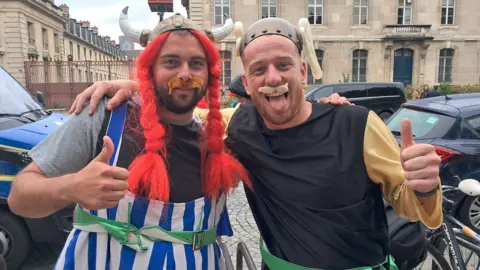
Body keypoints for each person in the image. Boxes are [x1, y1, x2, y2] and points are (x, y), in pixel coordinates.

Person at [68, 17, 442, 269]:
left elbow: (415, 209)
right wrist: (137, 86)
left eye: (283, 65)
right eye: (259, 70)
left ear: (303, 71)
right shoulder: (236, 126)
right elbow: (181, 110)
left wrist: (425, 187)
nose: (273, 78)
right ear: (246, 84)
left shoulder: (357, 124)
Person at [8, 12, 253, 269]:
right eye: (171, 62)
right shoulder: (106, 116)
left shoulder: (216, 137)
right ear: (150, 69)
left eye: (196, 63)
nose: (184, 73)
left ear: (209, 73)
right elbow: (19, 197)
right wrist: (71, 188)